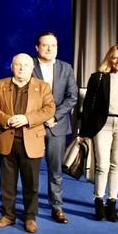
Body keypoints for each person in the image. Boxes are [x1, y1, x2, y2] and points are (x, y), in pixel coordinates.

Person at [0, 54, 55, 233]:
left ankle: (30, 217)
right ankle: (8, 215)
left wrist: (27, 119)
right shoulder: (0, 85)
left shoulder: (42, 87)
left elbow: (49, 109)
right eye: (18, 64)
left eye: (25, 65)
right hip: (8, 140)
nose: (21, 68)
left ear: (32, 67)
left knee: (31, 184)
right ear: (12, 66)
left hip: (32, 141)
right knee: (7, 183)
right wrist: (7, 119)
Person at [80, 43, 118, 222]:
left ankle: (112, 203)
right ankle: (98, 200)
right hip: (102, 125)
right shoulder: (98, 77)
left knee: (117, 165)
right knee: (102, 165)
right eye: (115, 57)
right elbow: (88, 105)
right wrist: (84, 131)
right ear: (109, 59)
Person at [32, 31, 79, 224]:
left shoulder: (66, 68)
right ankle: (30, 208)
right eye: (45, 45)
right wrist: (40, 117)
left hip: (56, 127)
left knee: (55, 170)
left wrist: (54, 116)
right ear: (37, 47)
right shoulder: (29, 65)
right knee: (31, 170)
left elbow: (72, 97)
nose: (50, 49)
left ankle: (57, 207)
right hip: (33, 127)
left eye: (53, 45)